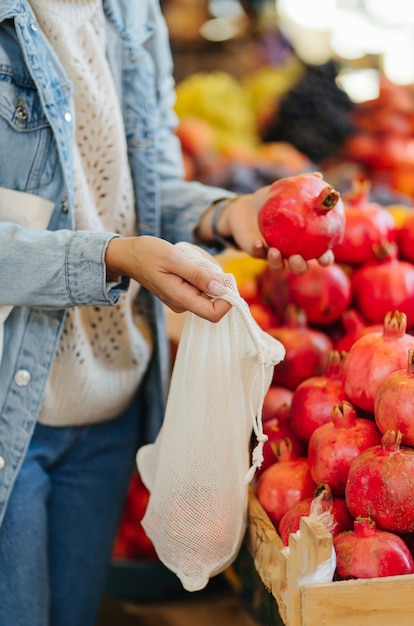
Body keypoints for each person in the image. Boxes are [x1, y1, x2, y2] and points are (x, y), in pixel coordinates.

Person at [0, 2, 333, 625]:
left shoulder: (130, 11)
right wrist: (112, 257)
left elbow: (144, 189)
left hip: (110, 404)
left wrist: (226, 214)